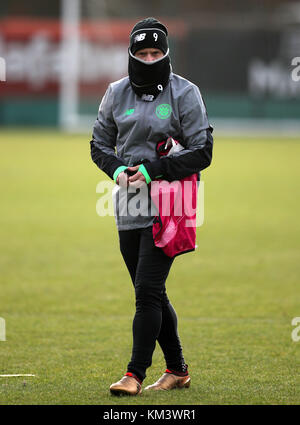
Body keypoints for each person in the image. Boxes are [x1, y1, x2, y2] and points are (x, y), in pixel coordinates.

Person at [90, 17, 213, 396]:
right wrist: (117, 171)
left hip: (171, 207)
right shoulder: (115, 93)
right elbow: (99, 145)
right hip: (129, 206)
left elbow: (203, 152)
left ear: (166, 54)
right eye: (141, 53)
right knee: (153, 294)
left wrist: (153, 169)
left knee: (146, 290)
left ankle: (134, 374)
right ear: (130, 54)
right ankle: (177, 369)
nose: (148, 59)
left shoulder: (185, 93)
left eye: (155, 52)